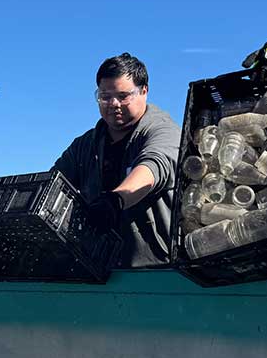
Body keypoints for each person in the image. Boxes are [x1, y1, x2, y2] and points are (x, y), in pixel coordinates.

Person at [52, 53, 181, 268]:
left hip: (155, 270)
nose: (113, 104)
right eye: (105, 96)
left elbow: (154, 167)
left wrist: (115, 201)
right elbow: (55, 184)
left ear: (144, 91)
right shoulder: (84, 145)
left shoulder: (163, 130)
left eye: (123, 96)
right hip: (97, 266)